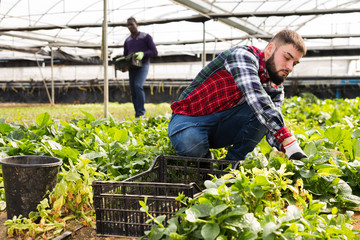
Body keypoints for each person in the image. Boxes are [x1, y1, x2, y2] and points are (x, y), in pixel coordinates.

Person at [168, 29, 308, 161]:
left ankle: (230, 166)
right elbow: (255, 96)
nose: (290, 68)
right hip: (190, 119)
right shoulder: (242, 56)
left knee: (268, 115)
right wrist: (289, 142)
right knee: (190, 142)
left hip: (222, 126)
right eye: (286, 58)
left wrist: (291, 152)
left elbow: (271, 125)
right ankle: (205, 161)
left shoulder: (275, 88)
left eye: (294, 63)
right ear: (270, 49)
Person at [123, 17, 158, 118]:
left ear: (136, 24)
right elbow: (125, 55)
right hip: (132, 66)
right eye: (128, 25)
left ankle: (141, 113)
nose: (130, 27)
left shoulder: (146, 37)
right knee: (133, 89)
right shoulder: (127, 40)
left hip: (143, 64)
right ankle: (137, 114)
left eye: (132, 24)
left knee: (138, 85)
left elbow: (154, 52)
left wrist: (143, 53)